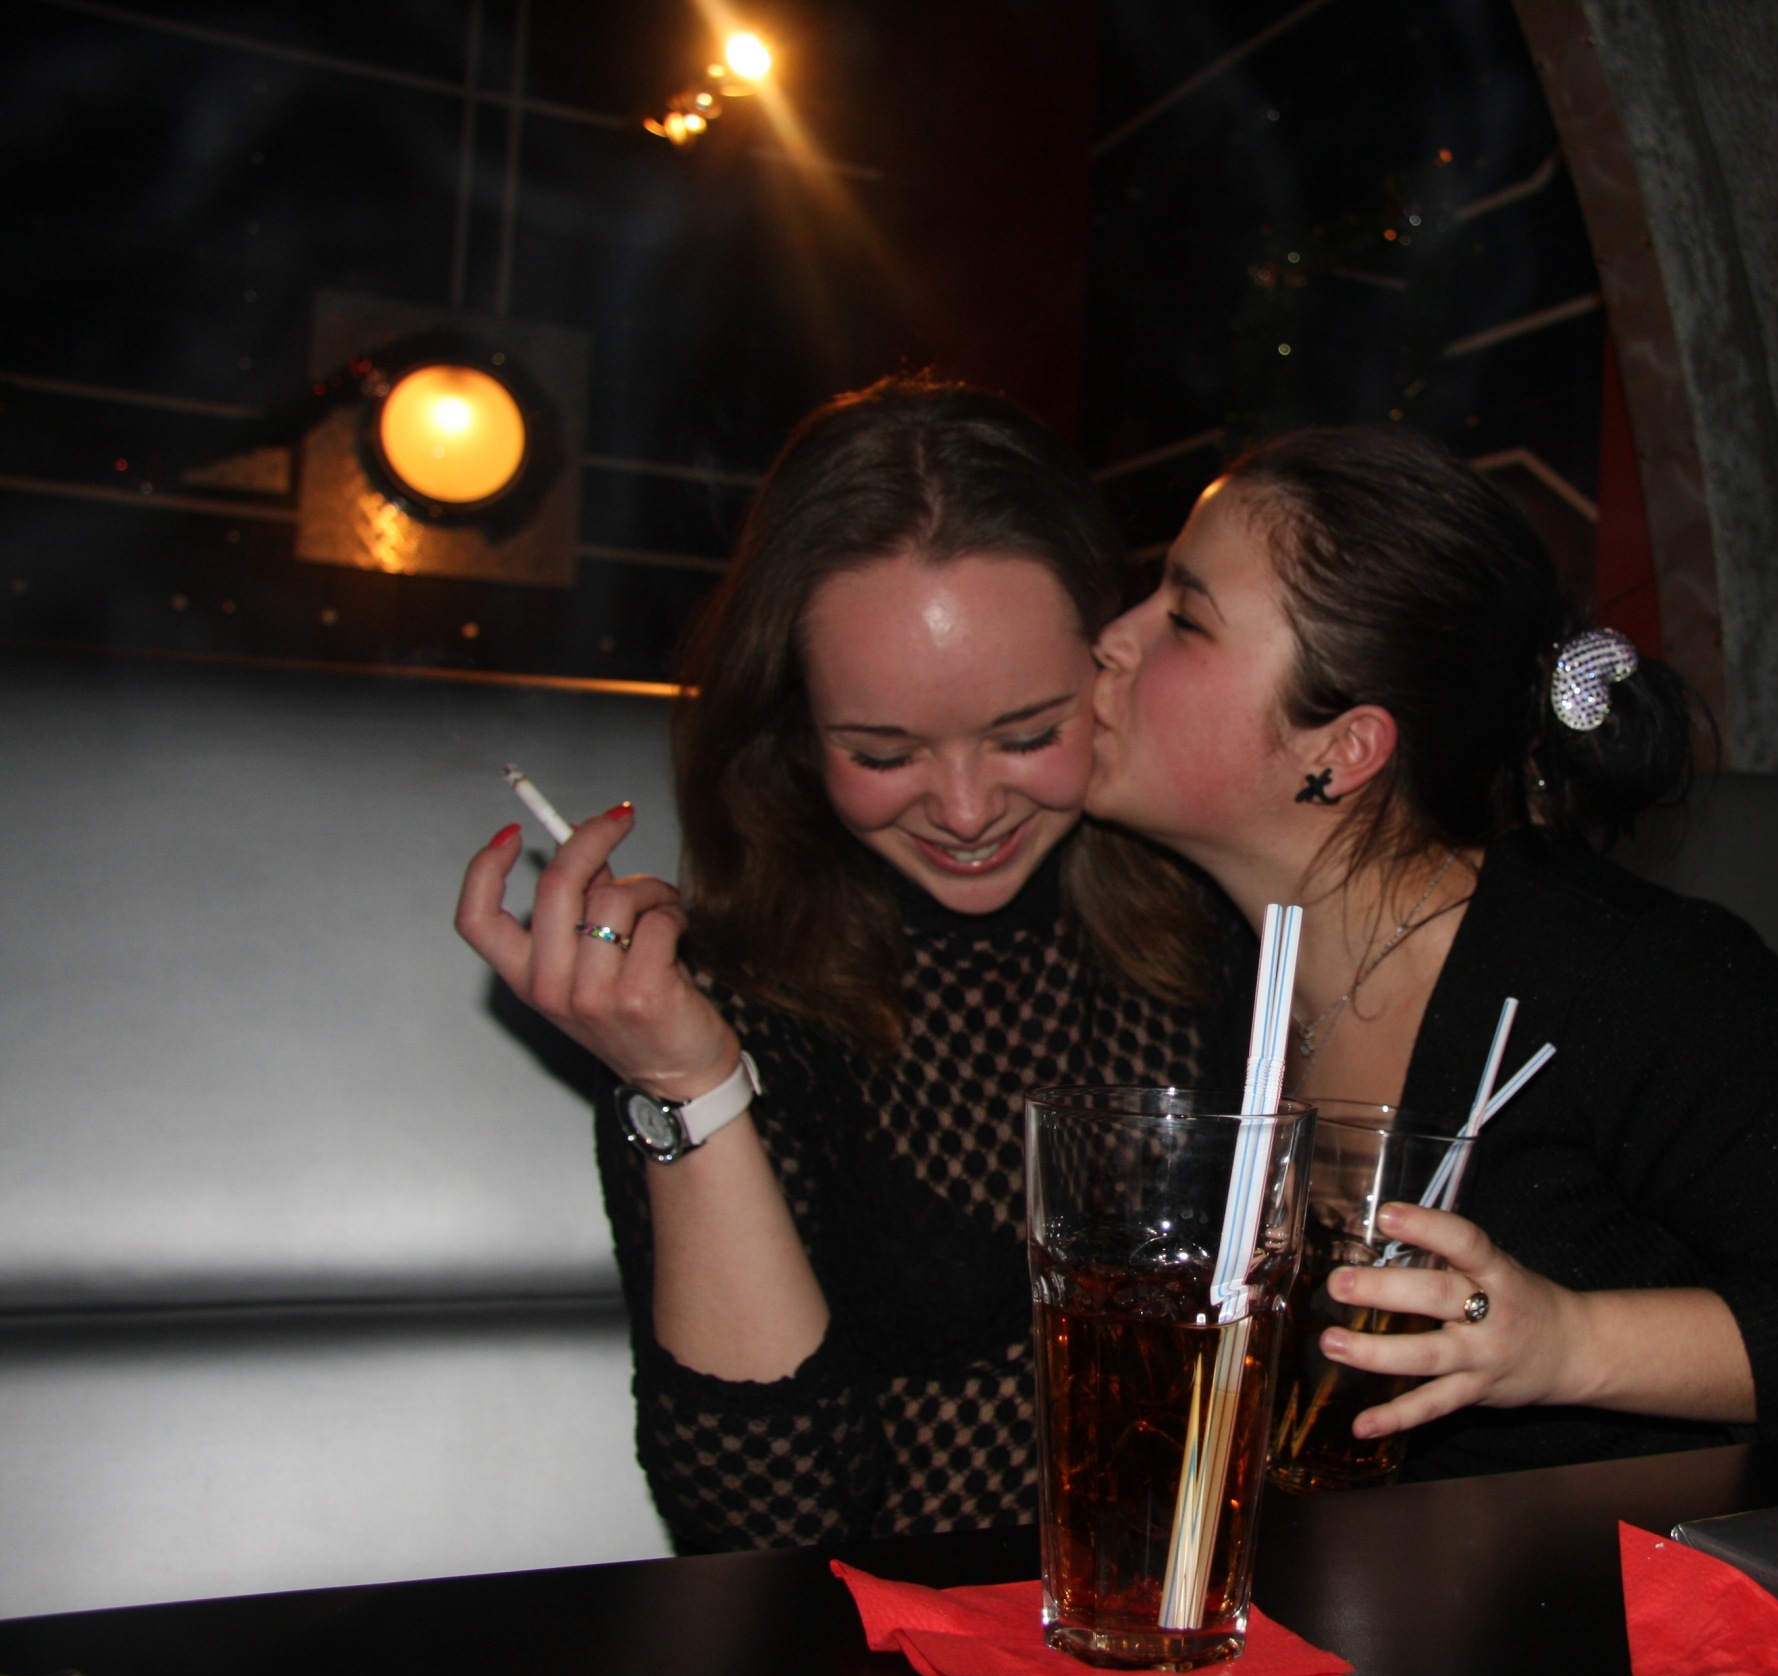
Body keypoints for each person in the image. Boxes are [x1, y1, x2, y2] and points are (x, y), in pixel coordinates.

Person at [1086, 426, 1778, 1475]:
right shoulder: (1190, 969)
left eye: (1185, 619)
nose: (1114, 639)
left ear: (1343, 748)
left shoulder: (1625, 977)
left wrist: (1565, 1343)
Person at [455, 379, 1236, 1547]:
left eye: (1028, 734)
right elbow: (767, 1531)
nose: (966, 810)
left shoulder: (1226, 928)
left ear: (1114, 666)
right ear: (795, 725)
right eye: (882, 752)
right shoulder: (711, 1008)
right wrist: (689, 1089)